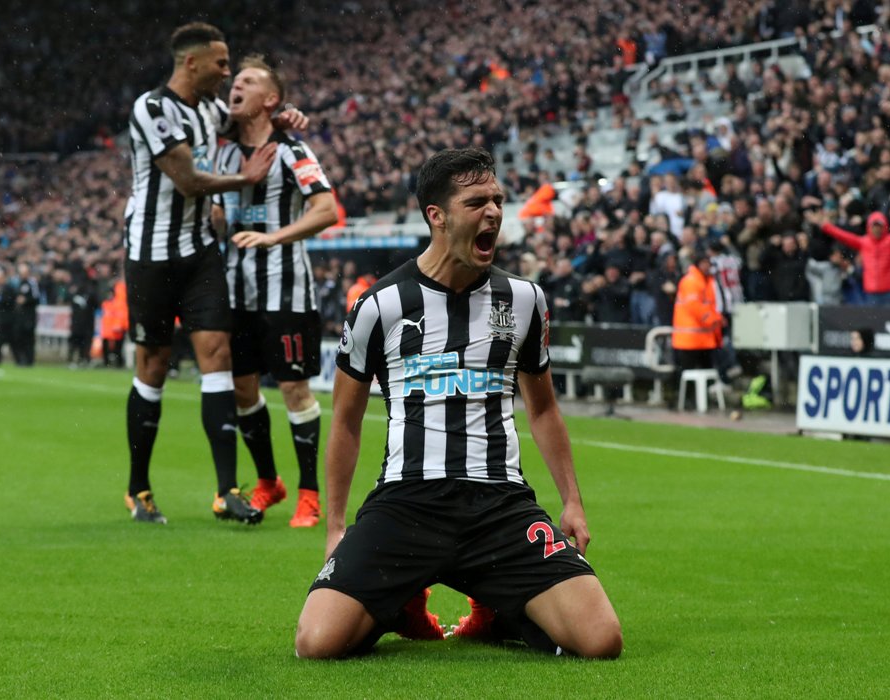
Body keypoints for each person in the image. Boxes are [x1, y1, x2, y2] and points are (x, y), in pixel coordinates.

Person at [295, 148, 622, 659]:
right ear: (437, 216)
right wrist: (336, 526)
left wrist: (572, 501)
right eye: (476, 202)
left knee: (601, 642)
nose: (493, 211)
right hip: (405, 504)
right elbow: (346, 421)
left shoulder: (525, 300)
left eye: (497, 200)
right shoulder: (378, 305)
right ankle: (403, 600)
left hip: (499, 506)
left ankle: (499, 608)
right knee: (317, 644)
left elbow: (543, 409)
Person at [121, 22, 305, 525]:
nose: (227, 74)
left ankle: (227, 490)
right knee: (153, 366)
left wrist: (283, 116)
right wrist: (243, 178)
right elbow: (185, 178)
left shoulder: (209, 110)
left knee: (217, 357)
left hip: (201, 252)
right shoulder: (153, 108)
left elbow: (249, 124)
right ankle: (138, 488)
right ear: (192, 63)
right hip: (151, 255)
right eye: (221, 64)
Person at [212, 55, 338, 527]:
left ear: (271, 99)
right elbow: (218, 211)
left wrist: (273, 237)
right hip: (235, 290)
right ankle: (269, 483)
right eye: (234, 80)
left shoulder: (293, 149)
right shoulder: (222, 153)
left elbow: (326, 209)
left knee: (294, 388)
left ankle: (309, 493)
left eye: (248, 81)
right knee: (243, 388)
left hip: (286, 291)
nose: (235, 85)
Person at [815, 208, 890, 306]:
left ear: (884, 227)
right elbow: (843, 236)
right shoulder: (864, 242)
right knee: (874, 323)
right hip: (872, 292)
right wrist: (826, 226)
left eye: (879, 226)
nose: (877, 229)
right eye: (874, 226)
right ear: (869, 227)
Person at [671, 250, 724, 372]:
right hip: (690, 338)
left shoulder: (707, 281)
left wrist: (717, 319)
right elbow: (695, 306)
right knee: (689, 373)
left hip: (703, 337)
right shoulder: (691, 281)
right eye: (704, 263)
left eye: (708, 263)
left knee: (705, 372)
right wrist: (714, 320)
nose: (707, 266)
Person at [12, 263, 39, 367]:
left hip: (29, 316)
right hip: (20, 316)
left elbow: (36, 298)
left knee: (29, 339)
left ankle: (30, 360)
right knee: (19, 338)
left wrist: (26, 300)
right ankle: (21, 360)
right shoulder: (18, 283)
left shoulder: (32, 283)